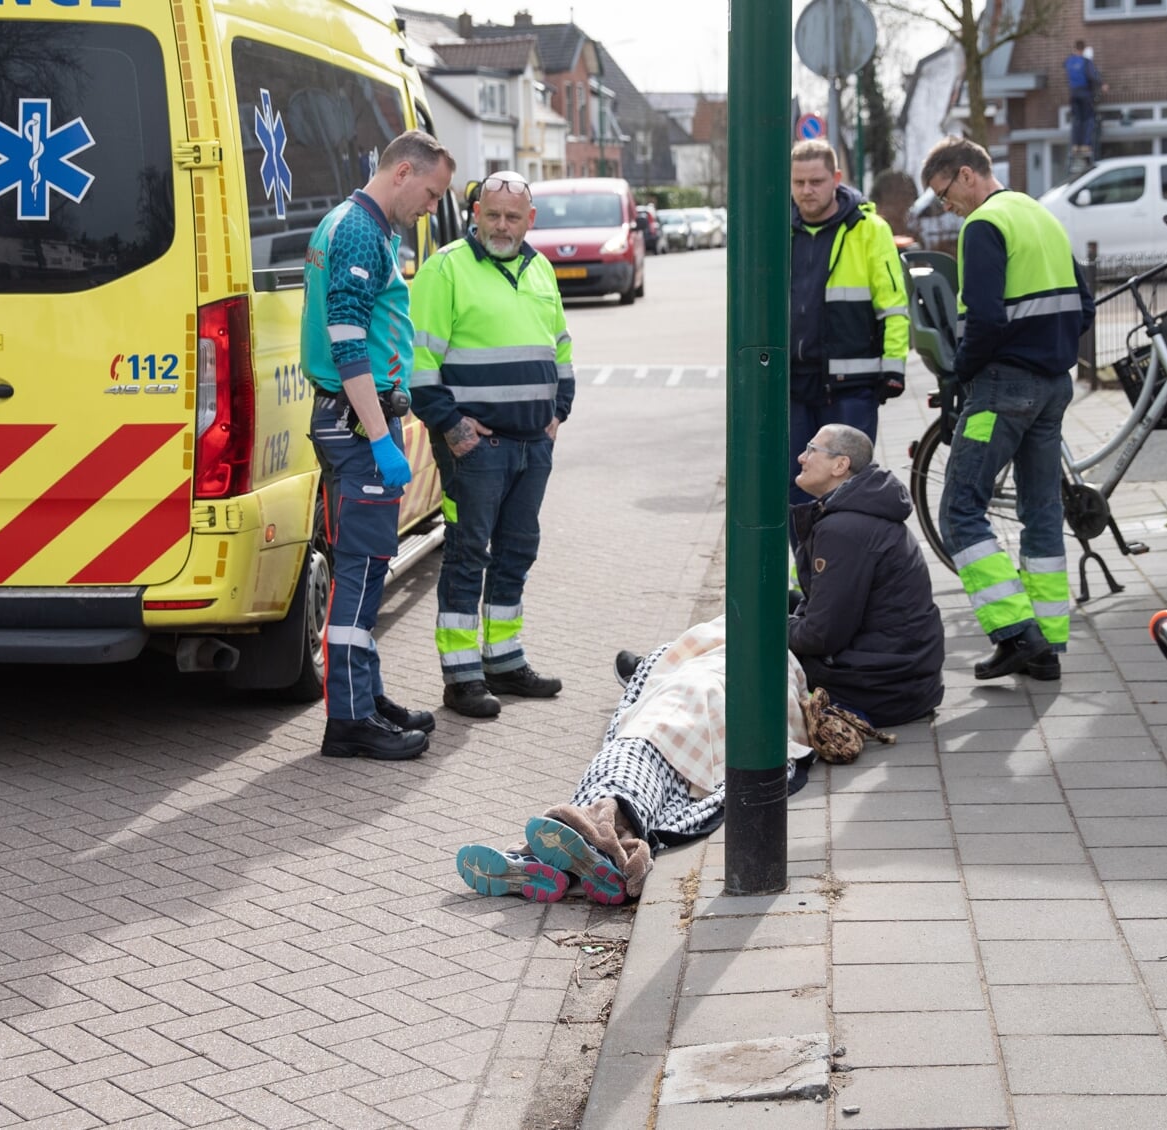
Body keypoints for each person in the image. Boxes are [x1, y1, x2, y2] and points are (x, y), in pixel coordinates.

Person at [456, 619, 817, 904]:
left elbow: (651, 670)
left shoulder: (752, 642)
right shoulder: (774, 651)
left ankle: (556, 853)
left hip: (681, 703)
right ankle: (594, 851)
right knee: (648, 770)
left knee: (630, 753)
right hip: (700, 710)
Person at [302, 129, 458, 759]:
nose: (430, 207)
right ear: (402, 173)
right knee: (362, 575)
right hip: (358, 421)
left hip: (355, 419)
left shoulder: (358, 223)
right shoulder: (363, 230)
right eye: (430, 192)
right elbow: (346, 342)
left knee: (363, 569)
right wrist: (379, 437)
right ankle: (349, 720)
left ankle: (365, 696)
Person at [920, 136, 1094, 681]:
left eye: (944, 192)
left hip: (1004, 387)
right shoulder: (1039, 215)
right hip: (1052, 384)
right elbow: (1083, 306)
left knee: (960, 509)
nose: (945, 206)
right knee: (1042, 511)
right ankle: (1046, 647)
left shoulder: (984, 224)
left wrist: (960, 372)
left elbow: (988, 320)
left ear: (967, 175)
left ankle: (1016, 632)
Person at [410, 170, 573, 718]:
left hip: (533, 445)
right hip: (475, 448)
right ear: (475, 212)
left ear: (531, 219)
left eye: (513, 217)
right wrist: (452, 429)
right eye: (492, 214)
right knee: (466, 555)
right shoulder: (445, 268)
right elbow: (418, 360)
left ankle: (504, 660)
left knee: (516, 552)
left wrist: (559, 411)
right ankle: (461, 679)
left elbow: (560, 345)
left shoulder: (541, 267)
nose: (502, 225)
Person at [789, 424, 945, 727]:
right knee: (778, 604)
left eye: (811, 450)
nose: (801, 457)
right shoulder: (858, 510)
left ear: (840, 464)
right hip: (903, 679)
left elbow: (821, 635)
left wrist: (765, 632)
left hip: (879, 689)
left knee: (742, 648)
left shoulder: (845, 529)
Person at [788, 139, 909, 506]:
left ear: (836, 178)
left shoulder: (869, 229)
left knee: (847, 491)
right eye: (798, 182)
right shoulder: (780, 230)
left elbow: (893, 305)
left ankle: (843, 564)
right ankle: (806, 565)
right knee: (798, 488)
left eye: (817, 181)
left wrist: (893, 370)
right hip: (794, 385)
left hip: (852, 388)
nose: (807, 190)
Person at [1065, 40, 1108, 162]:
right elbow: (1092, 75)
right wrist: (1102, 84)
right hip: (1084, 93)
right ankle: (1085, 145)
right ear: (1083, 49)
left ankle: (1075, 145)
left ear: (1074, 48)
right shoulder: (1085, 62)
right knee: (1088, 119)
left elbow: (1067, 70)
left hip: (1073, 94)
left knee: (1077, 120)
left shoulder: (1069, 61)